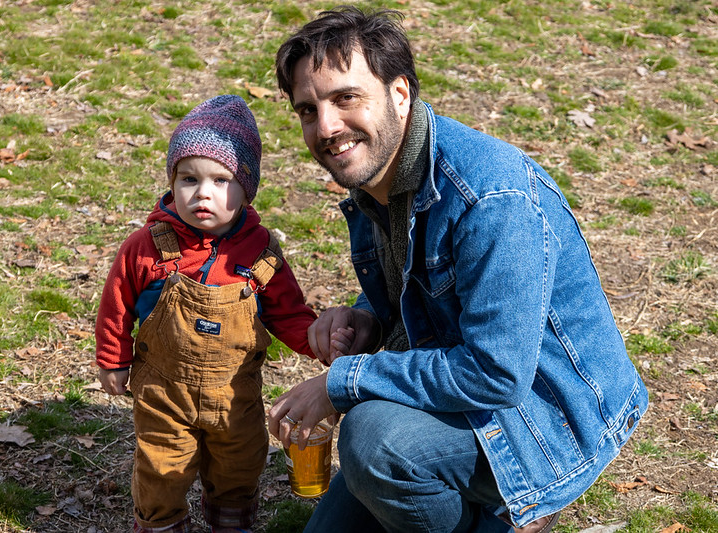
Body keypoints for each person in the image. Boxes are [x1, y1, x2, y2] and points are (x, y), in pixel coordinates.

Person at [267, 6, 648, 533]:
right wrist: (368, 321)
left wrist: (343, 381)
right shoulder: (378, 178)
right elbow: (425, 288)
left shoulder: (491, 197)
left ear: (400, 94)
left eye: (345, 98)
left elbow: (496, 373)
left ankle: (501, 517)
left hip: (547, 418)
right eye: (308, 110)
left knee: (374, 442)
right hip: (471, 395)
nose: (327, 127)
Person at [95, 95, 349, 533]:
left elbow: (287, 314)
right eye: (188, 178)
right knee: (160, 471)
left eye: (220, 180)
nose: (202, 193)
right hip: (164, 394)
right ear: (172, 181)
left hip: (235, 395)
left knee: (239, 469)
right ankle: (161, 524)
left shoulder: (260, 252)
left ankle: (231, 524)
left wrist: (318, 342)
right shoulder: (148, 246)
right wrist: (113, 359)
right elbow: (116, 305)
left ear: (246, 189)